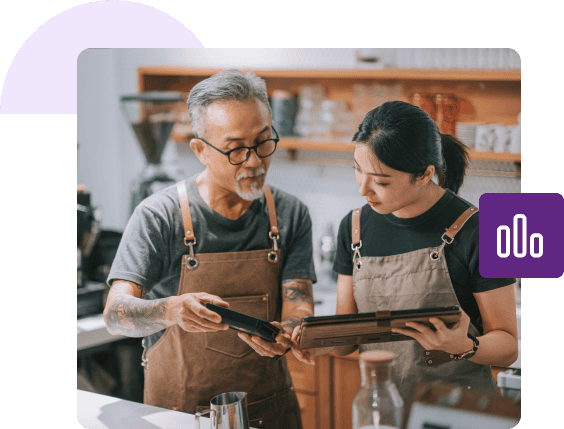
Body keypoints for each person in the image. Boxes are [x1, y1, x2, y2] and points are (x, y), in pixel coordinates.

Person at [104, 69, 316, 429]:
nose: (254, 161)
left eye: (264, 142)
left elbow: (298, 299)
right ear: (201, 150)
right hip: (179, 417)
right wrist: (171, 310)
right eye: (235, 149)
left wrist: (292, 329)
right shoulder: (159, 216)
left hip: (270, 414)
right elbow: (114, 314)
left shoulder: (290, 213)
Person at [295, 101, 519, 404]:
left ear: (425, 174)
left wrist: (463, 345)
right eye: (357, 171)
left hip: (455, 412)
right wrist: (308, 340)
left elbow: (507, 346)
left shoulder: (479, 230)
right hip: (383, 406)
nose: (363, 189)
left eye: (381, 181)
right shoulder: (355, 227)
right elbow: (347, 340)